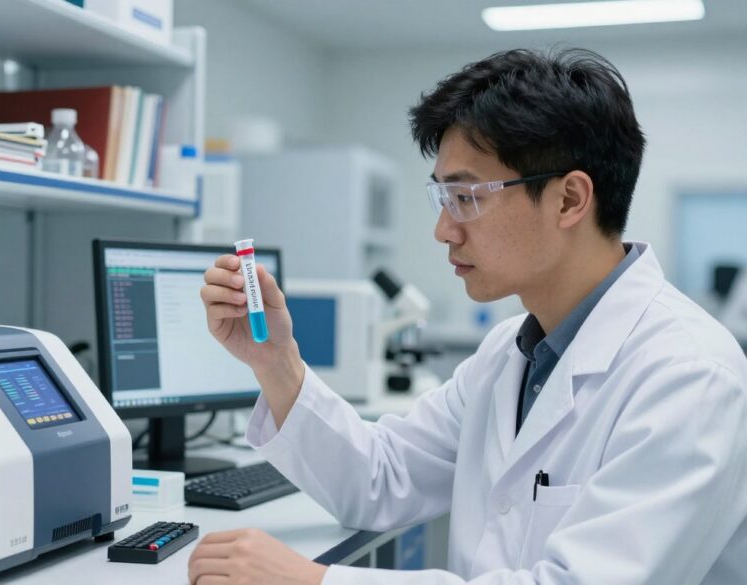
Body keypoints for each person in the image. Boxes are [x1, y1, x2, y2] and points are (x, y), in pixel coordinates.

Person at [189, 47, 747, 585]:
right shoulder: (510, 354)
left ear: (570, 200)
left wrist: (314, 582)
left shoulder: (690, 377)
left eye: (469, 197)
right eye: (444, 198)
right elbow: (380, 479)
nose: (444, 230)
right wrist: (276, 360)